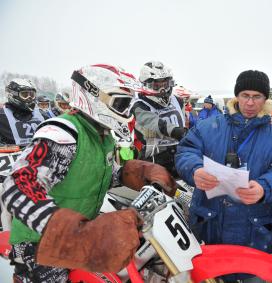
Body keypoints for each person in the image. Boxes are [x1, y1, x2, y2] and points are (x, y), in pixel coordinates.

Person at [1, 64, 175, 282]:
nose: (127, 111)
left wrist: (135, 173)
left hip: (78, 238)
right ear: (94, 97)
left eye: (129, 104)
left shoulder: (101, 134)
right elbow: (18, 186)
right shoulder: (63, 133)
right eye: (121, 103)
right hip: (39, 245)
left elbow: (94, 173)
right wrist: (73, 232)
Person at [175, 70, 272, 282]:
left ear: (265, 99)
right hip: (209, 227)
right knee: (208, 277)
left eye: (257, 96)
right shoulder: (207, 128)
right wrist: (195, 170)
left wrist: (264, 187)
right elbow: (185, 152)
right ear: (236, 96)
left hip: (254, 232)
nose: (250, 102)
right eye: (245, 95)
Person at [131, 61, 187, 175]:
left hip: (180, 156)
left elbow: (184, 123)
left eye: (165, 84)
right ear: (146, 84)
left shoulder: (178, 101)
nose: (162, 89)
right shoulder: (139, 105)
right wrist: (178, 132)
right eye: (157, 85)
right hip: (154, 159)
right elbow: (154, 123)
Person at [0, 78, 47, 146]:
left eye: (32, 95)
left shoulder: (43, 115)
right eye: (25, 95)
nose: (29, 98)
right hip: (12, 155)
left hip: (40, 154)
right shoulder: (2, 116)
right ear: (12, 95)